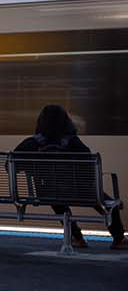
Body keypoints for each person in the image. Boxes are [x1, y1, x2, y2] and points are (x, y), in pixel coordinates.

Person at [13, 105, 126, 250]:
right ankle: (119, 238)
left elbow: (11, 166)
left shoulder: (31, 143)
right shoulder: (73, 142)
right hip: (79, 192)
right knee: (108, 202)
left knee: (57, 199)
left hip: (47, 193)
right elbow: (90, 166)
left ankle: (77, 238)